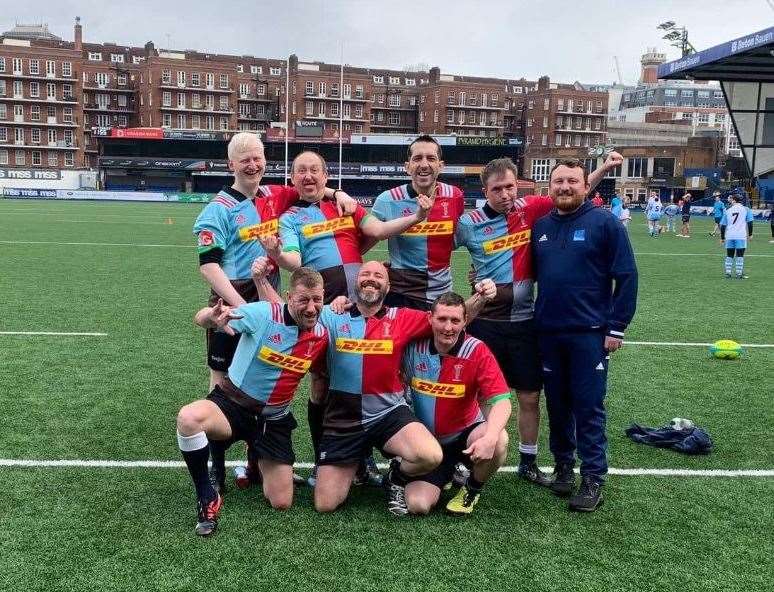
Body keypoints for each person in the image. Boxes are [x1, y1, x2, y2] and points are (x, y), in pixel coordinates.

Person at [252, 259, 497, 515]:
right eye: (365, 274)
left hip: (387, 413)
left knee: (430, 455)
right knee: (325, 504)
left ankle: (395, 478)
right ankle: (355, 463)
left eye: (378, 275)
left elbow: (450, 320)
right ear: (356, 283)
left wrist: (481, 297)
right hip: (343, 418)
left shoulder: (402, 318)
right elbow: (287, 310)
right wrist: (261, 279)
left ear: (387, 286)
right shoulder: (333, 315)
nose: (371, 278)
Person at [192, 133, 356, 491]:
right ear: (231, 165)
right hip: (233, 297)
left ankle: (256, 465)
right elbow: (209, 267)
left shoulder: (273, 195)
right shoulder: (217, 210)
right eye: (244, 160)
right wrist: (242, 307)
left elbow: (310, 188)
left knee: (266, 381)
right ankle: (216, 469)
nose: (252, 166)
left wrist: (338, 193)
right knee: (222, 386)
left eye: (258, 158)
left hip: (268, 297)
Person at [454, 154, 623, 486]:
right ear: (484, 190)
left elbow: (572, 190)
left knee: (529, 396)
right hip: (485, 322)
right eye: (496, 189)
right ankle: (463, 458)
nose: (505, 195)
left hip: (526, 322)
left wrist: (602, 169)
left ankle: (528, 462)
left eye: (510, 187)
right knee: (472, 395)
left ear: (519, 186)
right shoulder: (468, 223)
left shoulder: (529, 210)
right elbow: (435, 246)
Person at [176, 268, 329, 536]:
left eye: (317, 299)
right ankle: (207, 495)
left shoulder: (325, 330)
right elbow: (200, 317)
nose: (311, 308)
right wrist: (211, 317)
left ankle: (253, 460)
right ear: (288, 297)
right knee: (189, 419)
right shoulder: (262, 314)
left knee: (281, 502)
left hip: (275, 419)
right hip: (234, 406)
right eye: (303, 300)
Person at [531, 159, 638, 512]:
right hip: (548, 331)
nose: (564, 187)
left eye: (572, 181)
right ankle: (563, 467)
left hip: (589, 334)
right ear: (550, 187)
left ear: (585, 186)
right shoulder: (542, 226)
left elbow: (626, 276)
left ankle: (593, 478)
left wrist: (617, 327)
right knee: (557, 405)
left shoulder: (604, 223)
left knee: (588, 406)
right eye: (558, 181)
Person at [268, 151, 432, 303]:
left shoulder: (348, 206)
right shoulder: (288, 219)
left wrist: (417, 217)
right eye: (302, 171)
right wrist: (277, 253)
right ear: (292, 178)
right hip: (322, 302)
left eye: (314, 170)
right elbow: (294, 262)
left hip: (360, 299)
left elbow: (379, 231)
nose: (308, 176)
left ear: (325, 176)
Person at [402, 292, 512, 516]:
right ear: (430, 318)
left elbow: (502, 401)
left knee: (499, 439)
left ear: (465, 322)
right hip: (428, 442)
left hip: (465, 436)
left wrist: (489, 438)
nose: (448, 327)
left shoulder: (476, 350)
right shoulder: (412, 348)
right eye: (442, 319)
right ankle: (448, 472)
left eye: (455, 321)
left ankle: (472, 489)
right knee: (418, 505)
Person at [368, 135, 465, 311]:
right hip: (401, 294)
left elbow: (454, 239)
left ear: (440, 166)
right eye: (417, 158)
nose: (424, 164)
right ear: (407, 167)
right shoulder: (387, 200)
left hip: (441, 294)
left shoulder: (455, 195)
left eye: (431, 158)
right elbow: (365, 242)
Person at [720, 193, 754, 279]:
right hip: (740, 236)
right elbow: (750, 223)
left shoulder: (728, 210)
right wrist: (750, 234)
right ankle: (739, 274)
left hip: (730, 236)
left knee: (729, 255)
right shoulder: (746, 209)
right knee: (740, 255)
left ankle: (728, 273)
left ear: (734, 200)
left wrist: (722, 237)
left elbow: (723, 225)